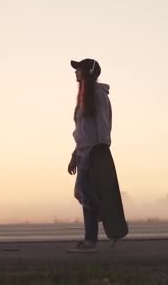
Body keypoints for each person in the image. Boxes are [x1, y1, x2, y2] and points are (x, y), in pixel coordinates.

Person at [67, 58, 112, 253]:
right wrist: (74, 155)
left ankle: (104, 213)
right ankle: (90, 240)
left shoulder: (99, 96)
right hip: (84, 154)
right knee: (84, 195)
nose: (75, 72)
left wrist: (101, 153)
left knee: (83, 191)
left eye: (78, 69)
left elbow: (103, 126)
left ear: (88, 72)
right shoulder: (84, 96)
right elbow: (82, 131)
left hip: (95, 154)